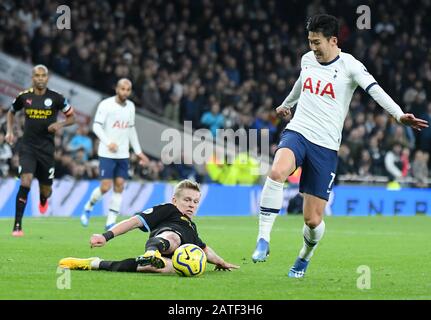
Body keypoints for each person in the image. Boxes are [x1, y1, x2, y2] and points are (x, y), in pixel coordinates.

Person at [251, 14, 428, 278]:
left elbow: (375, 90)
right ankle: (263, 239)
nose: (313, 47)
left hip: (325, 146)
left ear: (333, 40)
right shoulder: (307, 59)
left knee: (312, 220)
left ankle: (304, 256)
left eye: (317, 42)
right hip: (298, 132)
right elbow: (301, 82)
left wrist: (399, 115)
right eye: (310, 42)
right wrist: (287, 104)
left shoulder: (351, 66)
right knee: (277, 172)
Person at [59, 180, 239, 274]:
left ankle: (94, 263)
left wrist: (221, 262)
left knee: (162, 268)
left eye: (196, 202)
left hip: (171, 256)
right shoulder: (168, 209)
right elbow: (134, 221)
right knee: (173, 238)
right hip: (165, 240)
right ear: (175, 200)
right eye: (187, 200)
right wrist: (106, 236)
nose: (192, 205)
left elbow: (204, 249)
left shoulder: (192, 227)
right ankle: (151, 252)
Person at [5, 64, 75, 236]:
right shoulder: (24, 97)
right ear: (32, 78)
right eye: (37, 75)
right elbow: (11, 112)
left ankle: (43, 198)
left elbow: (71, 117)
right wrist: (9, 131)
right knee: (25, 182)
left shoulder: (57, 98)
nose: (40, 78)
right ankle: (17, 226)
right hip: (27, 147)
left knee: (46, 190)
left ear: (47, 77)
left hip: (47, 150)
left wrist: (60, 124)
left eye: (43, 75)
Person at [80, 78, 149, 230]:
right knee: (105, 187)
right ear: (117, 89)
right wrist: (107, 142)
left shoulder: (130, 106)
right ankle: (88, 207)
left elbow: (131, 129)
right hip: (107, 153)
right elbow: (96, 126)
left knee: (119, 185)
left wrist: (138, 152)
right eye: (122, 89)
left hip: (123, 154)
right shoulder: (106, 105)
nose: (125, 92)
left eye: (128, 89)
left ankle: (110, 222)